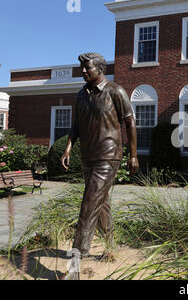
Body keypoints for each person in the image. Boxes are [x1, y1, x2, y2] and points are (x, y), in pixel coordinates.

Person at [61, 53, 139, 276]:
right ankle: (110, 244)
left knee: (88, 207)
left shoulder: (115, 91)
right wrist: (67, 148)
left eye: (87, 68)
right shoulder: (81, 95)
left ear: (100, 69)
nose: (83, 71)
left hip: (108, 157)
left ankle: (74, 264)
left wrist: (133, 154)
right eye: (82, 68)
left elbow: (130, 121)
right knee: (101, 203)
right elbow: (75, 124)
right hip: (88, 157)